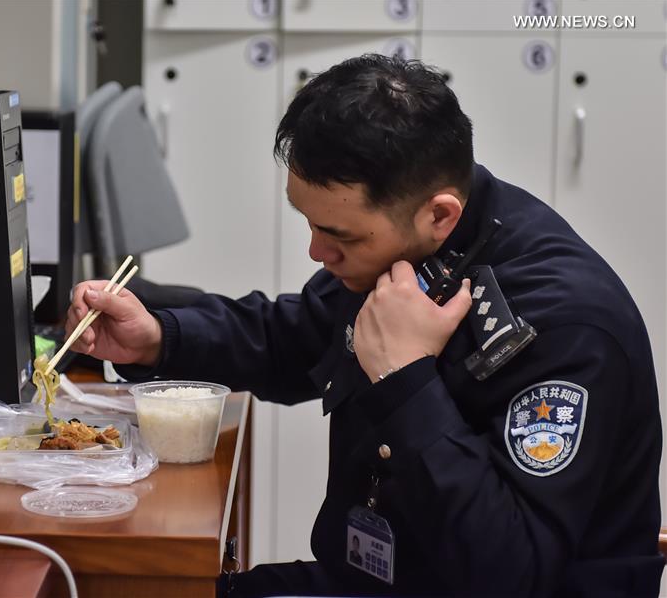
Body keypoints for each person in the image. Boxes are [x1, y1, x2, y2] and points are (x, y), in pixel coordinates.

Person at [65, 54, 664, 596]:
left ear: (440, 213)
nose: (316, 252)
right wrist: (161, 337)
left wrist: (407, 380)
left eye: (339, 236)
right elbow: (298, 336)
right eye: (309, 222)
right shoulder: (420, 246)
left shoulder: (567, 324)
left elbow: (508, 572)